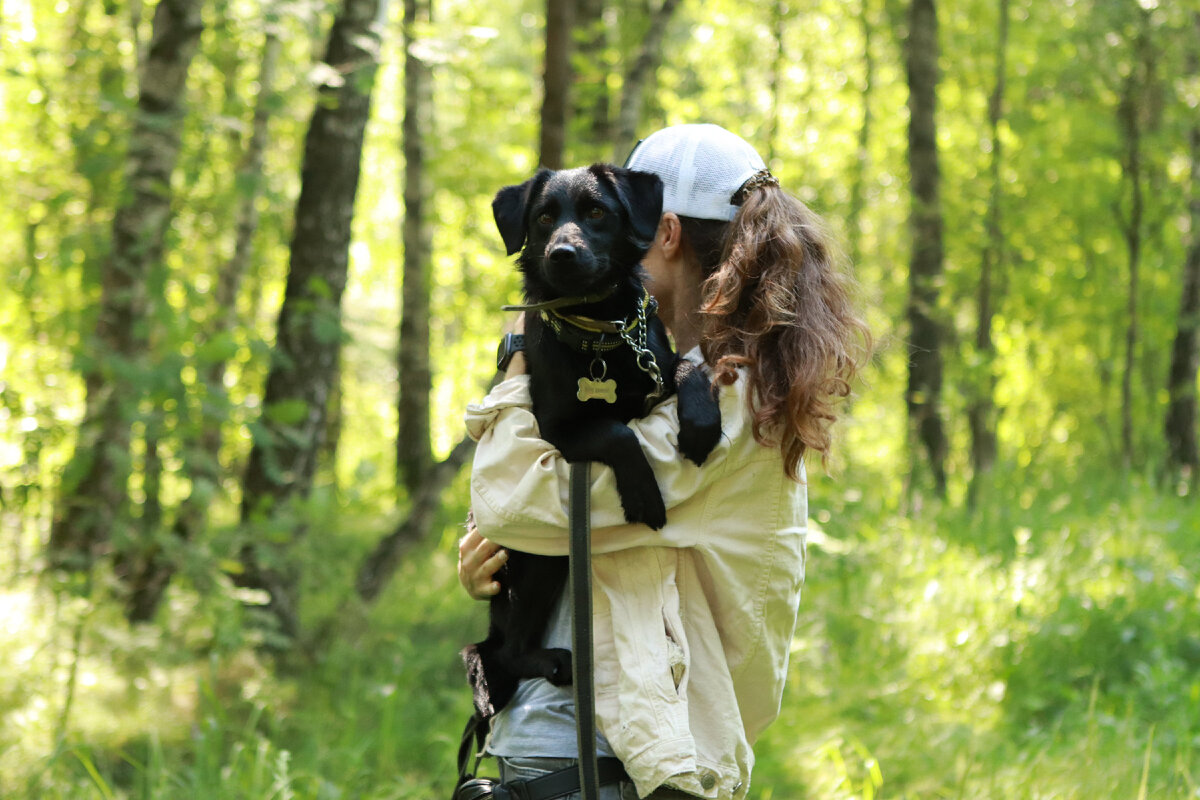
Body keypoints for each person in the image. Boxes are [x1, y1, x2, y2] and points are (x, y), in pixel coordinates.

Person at [458, 123, 871, 800]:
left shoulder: (727, 396)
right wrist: (492, 560)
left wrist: (515, 364)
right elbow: (542, 519)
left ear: (666, 233)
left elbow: (519, 500)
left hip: (601, 760)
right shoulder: (693, 378)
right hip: (605, 751)